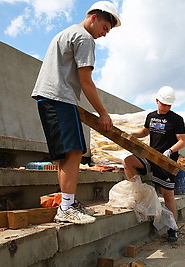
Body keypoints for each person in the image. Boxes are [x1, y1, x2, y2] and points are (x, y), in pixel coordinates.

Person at [31, 1, 121, 224]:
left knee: (67, 155)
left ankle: (67, 203)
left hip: (51, 97)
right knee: (74, 152)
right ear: (94, 17)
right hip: (59, 98)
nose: (104, 34)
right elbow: (85, 80)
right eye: (105, 28)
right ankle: (66, 209)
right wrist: (103, 113)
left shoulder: (67, 32)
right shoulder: (84, 37)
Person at [123, 86, 185, 242]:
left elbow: (182, 141)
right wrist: (132, 134)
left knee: (168, 196)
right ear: (157, 100)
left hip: (167, 162)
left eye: (169, 105)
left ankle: (172, 228)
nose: (166, 107)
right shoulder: (151, 116)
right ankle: (138, 195)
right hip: (150, 156)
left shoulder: (177, 119)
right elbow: (145, 132)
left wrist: (170, 151)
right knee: (128, 161)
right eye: (163, 104)